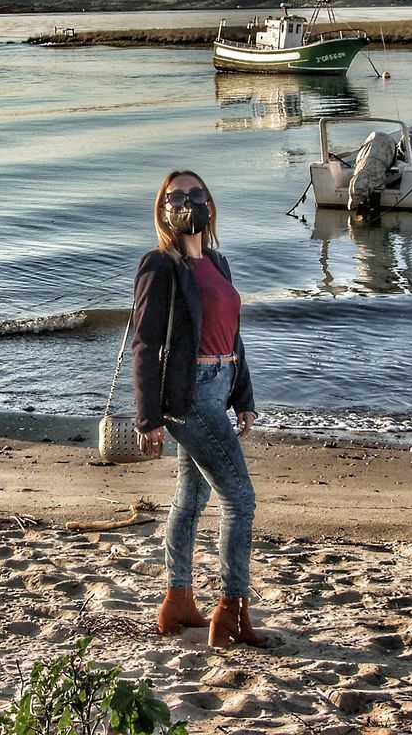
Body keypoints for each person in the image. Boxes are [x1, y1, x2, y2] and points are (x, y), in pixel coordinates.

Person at [131, 169, 267, 648]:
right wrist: (148, 420)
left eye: (196, 193)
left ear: (209, 201)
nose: (188, 201)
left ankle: (178, 601)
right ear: (163, 209)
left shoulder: (218, 262)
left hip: (221, 379)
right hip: (188, 396)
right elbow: (146, 345)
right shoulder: (160, 265)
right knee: (239, 497)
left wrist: (244, 396)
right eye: (176, 196)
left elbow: (233, 335)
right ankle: (230, 611)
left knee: (192, 498)